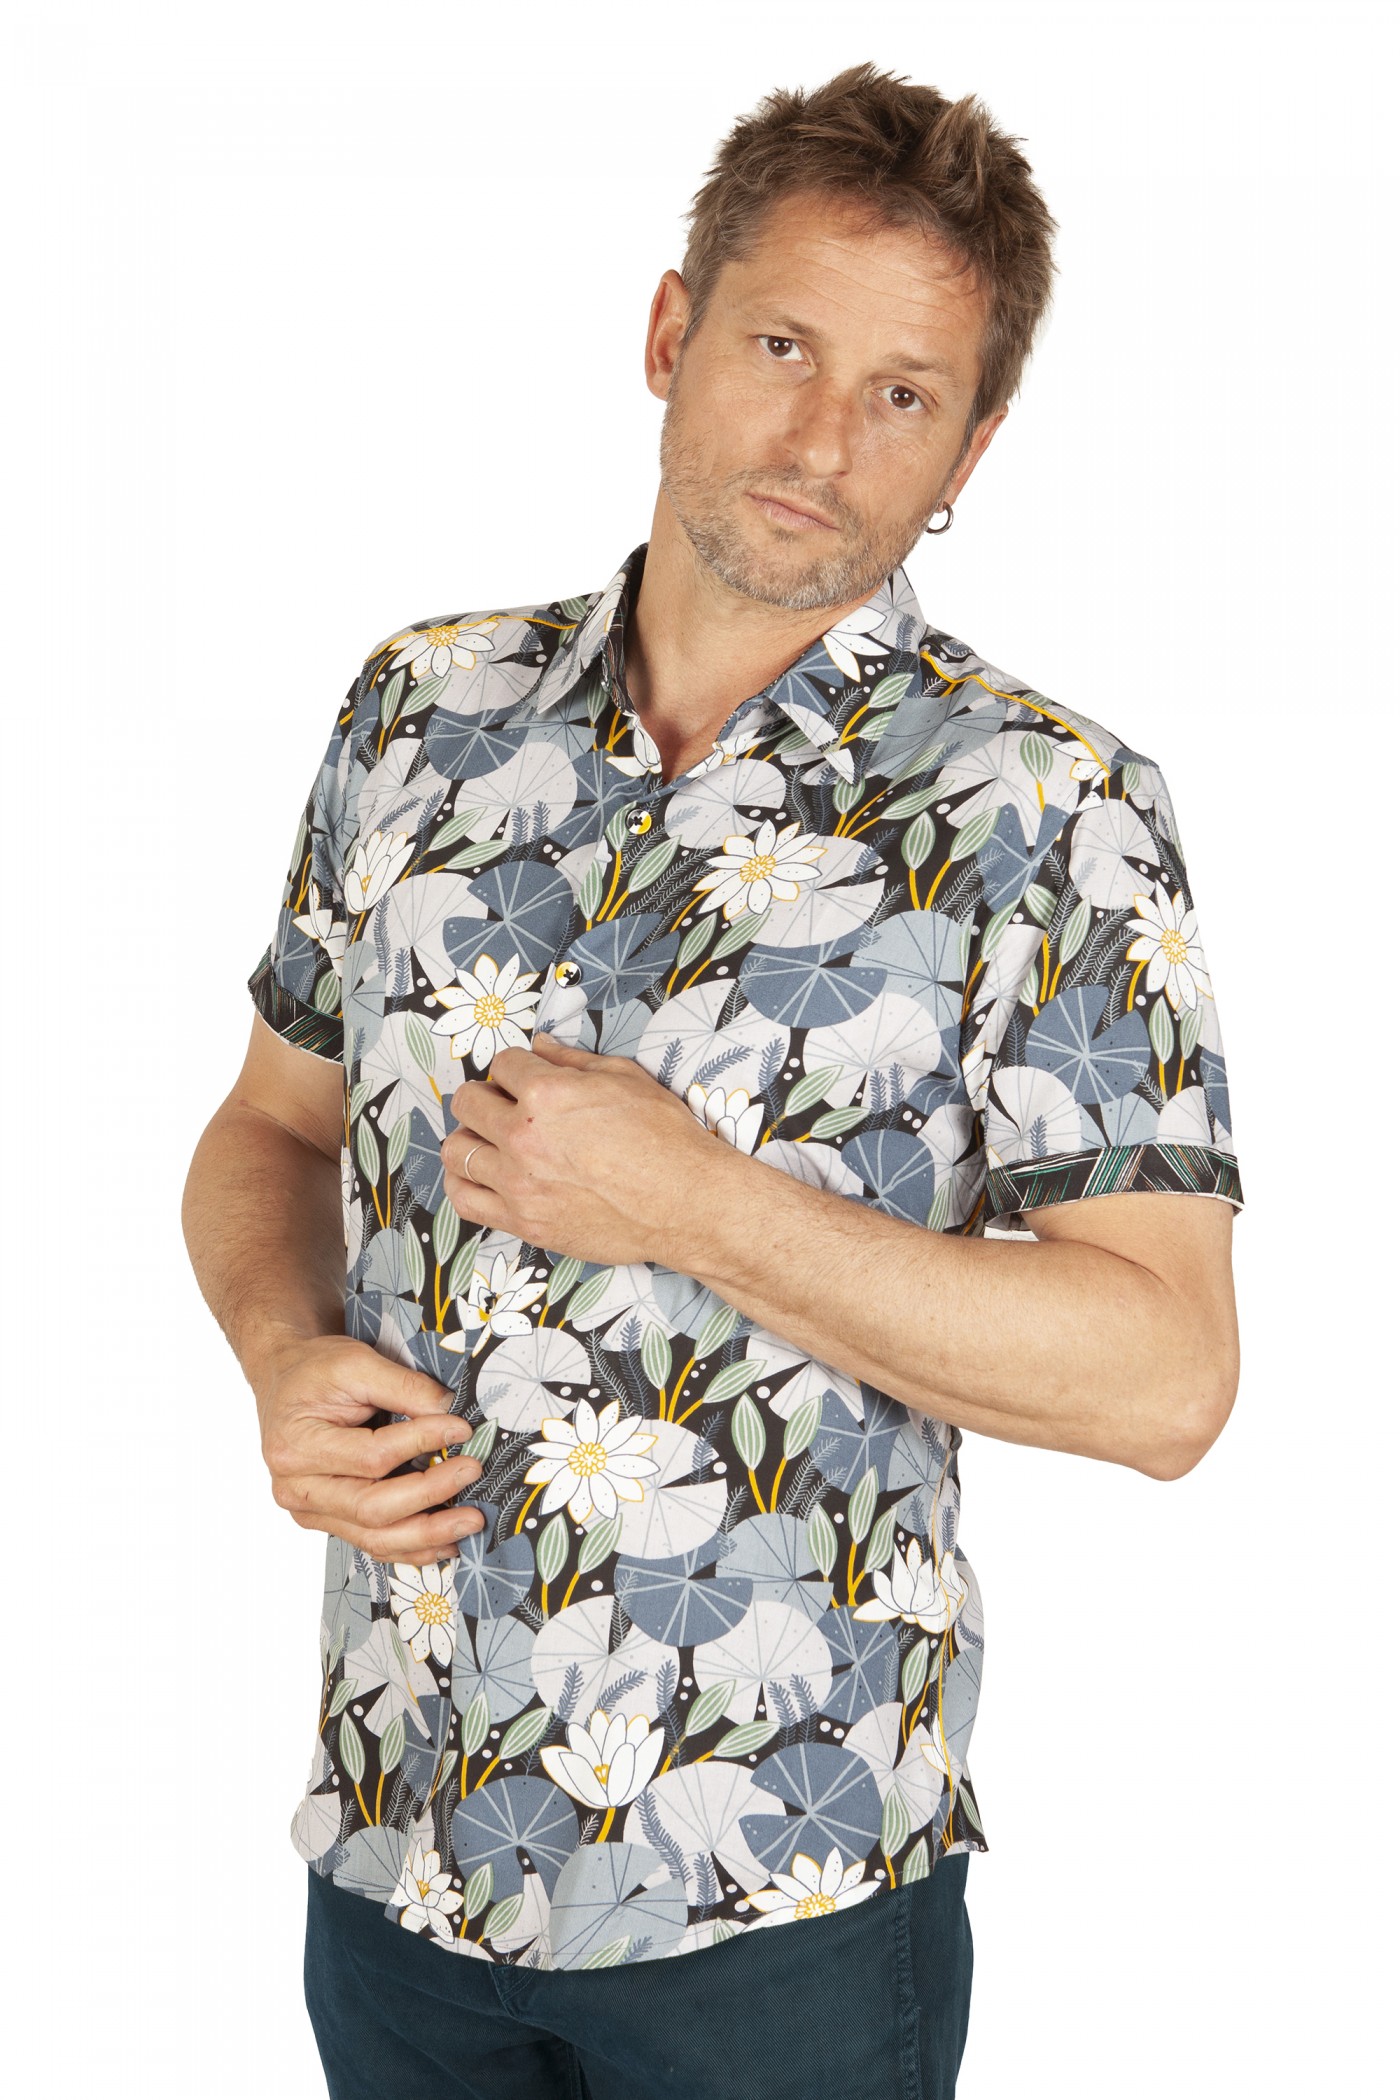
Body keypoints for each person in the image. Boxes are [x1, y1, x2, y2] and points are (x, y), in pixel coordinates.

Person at [182, 61, 1244, 2100]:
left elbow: (1167, 1378)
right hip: (396, 1843)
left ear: (973, 448)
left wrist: (702, 1207)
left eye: (905, 393)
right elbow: (270, 1127)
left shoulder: (1046, 810)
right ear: (670, 331)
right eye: (781, 346)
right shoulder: (417, 711)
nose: (823, 439)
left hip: (777, 1913)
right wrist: (278, 1347)